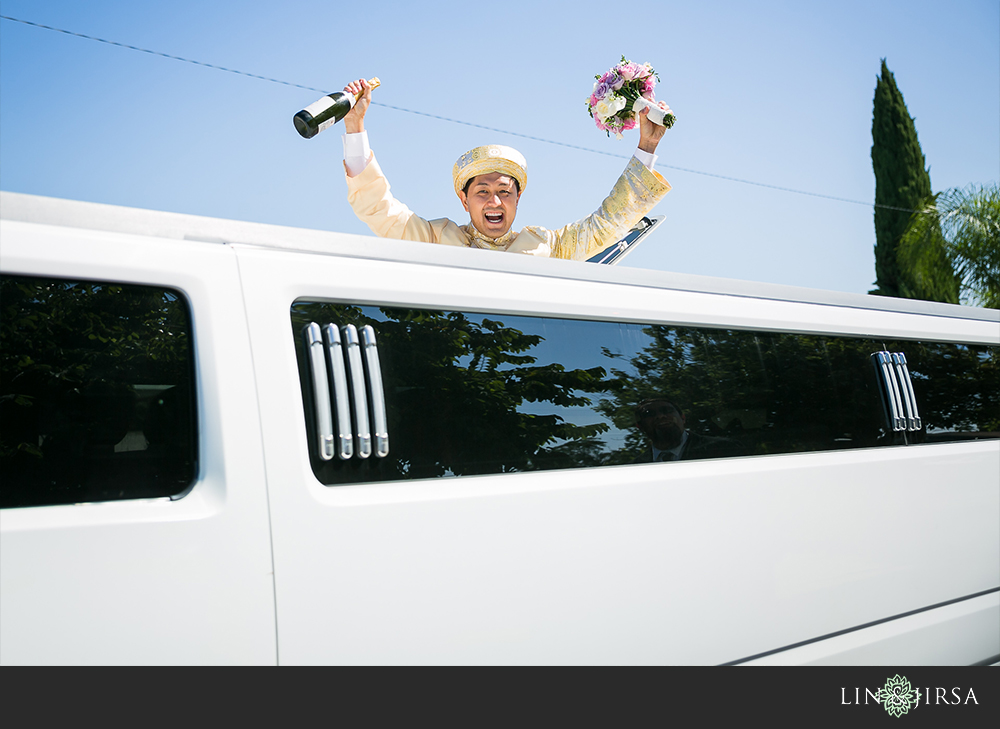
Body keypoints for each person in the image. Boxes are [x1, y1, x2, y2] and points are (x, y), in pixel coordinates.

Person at [340, 78, 672, 260]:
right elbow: (378, 209)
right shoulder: (435, 238)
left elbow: (607, 225)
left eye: (504, 192)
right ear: (463, 200)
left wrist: (647, 147)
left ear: (518, 198)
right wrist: (355, 128)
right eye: (482, 192)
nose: (495, 202)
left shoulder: (551, 246)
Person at [633, 397, 743, 463]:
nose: (661, 416)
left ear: (683, 418)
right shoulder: (633, 468)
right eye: (649, 414)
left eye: (667, 410)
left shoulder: (724, 449)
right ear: (640, 427)